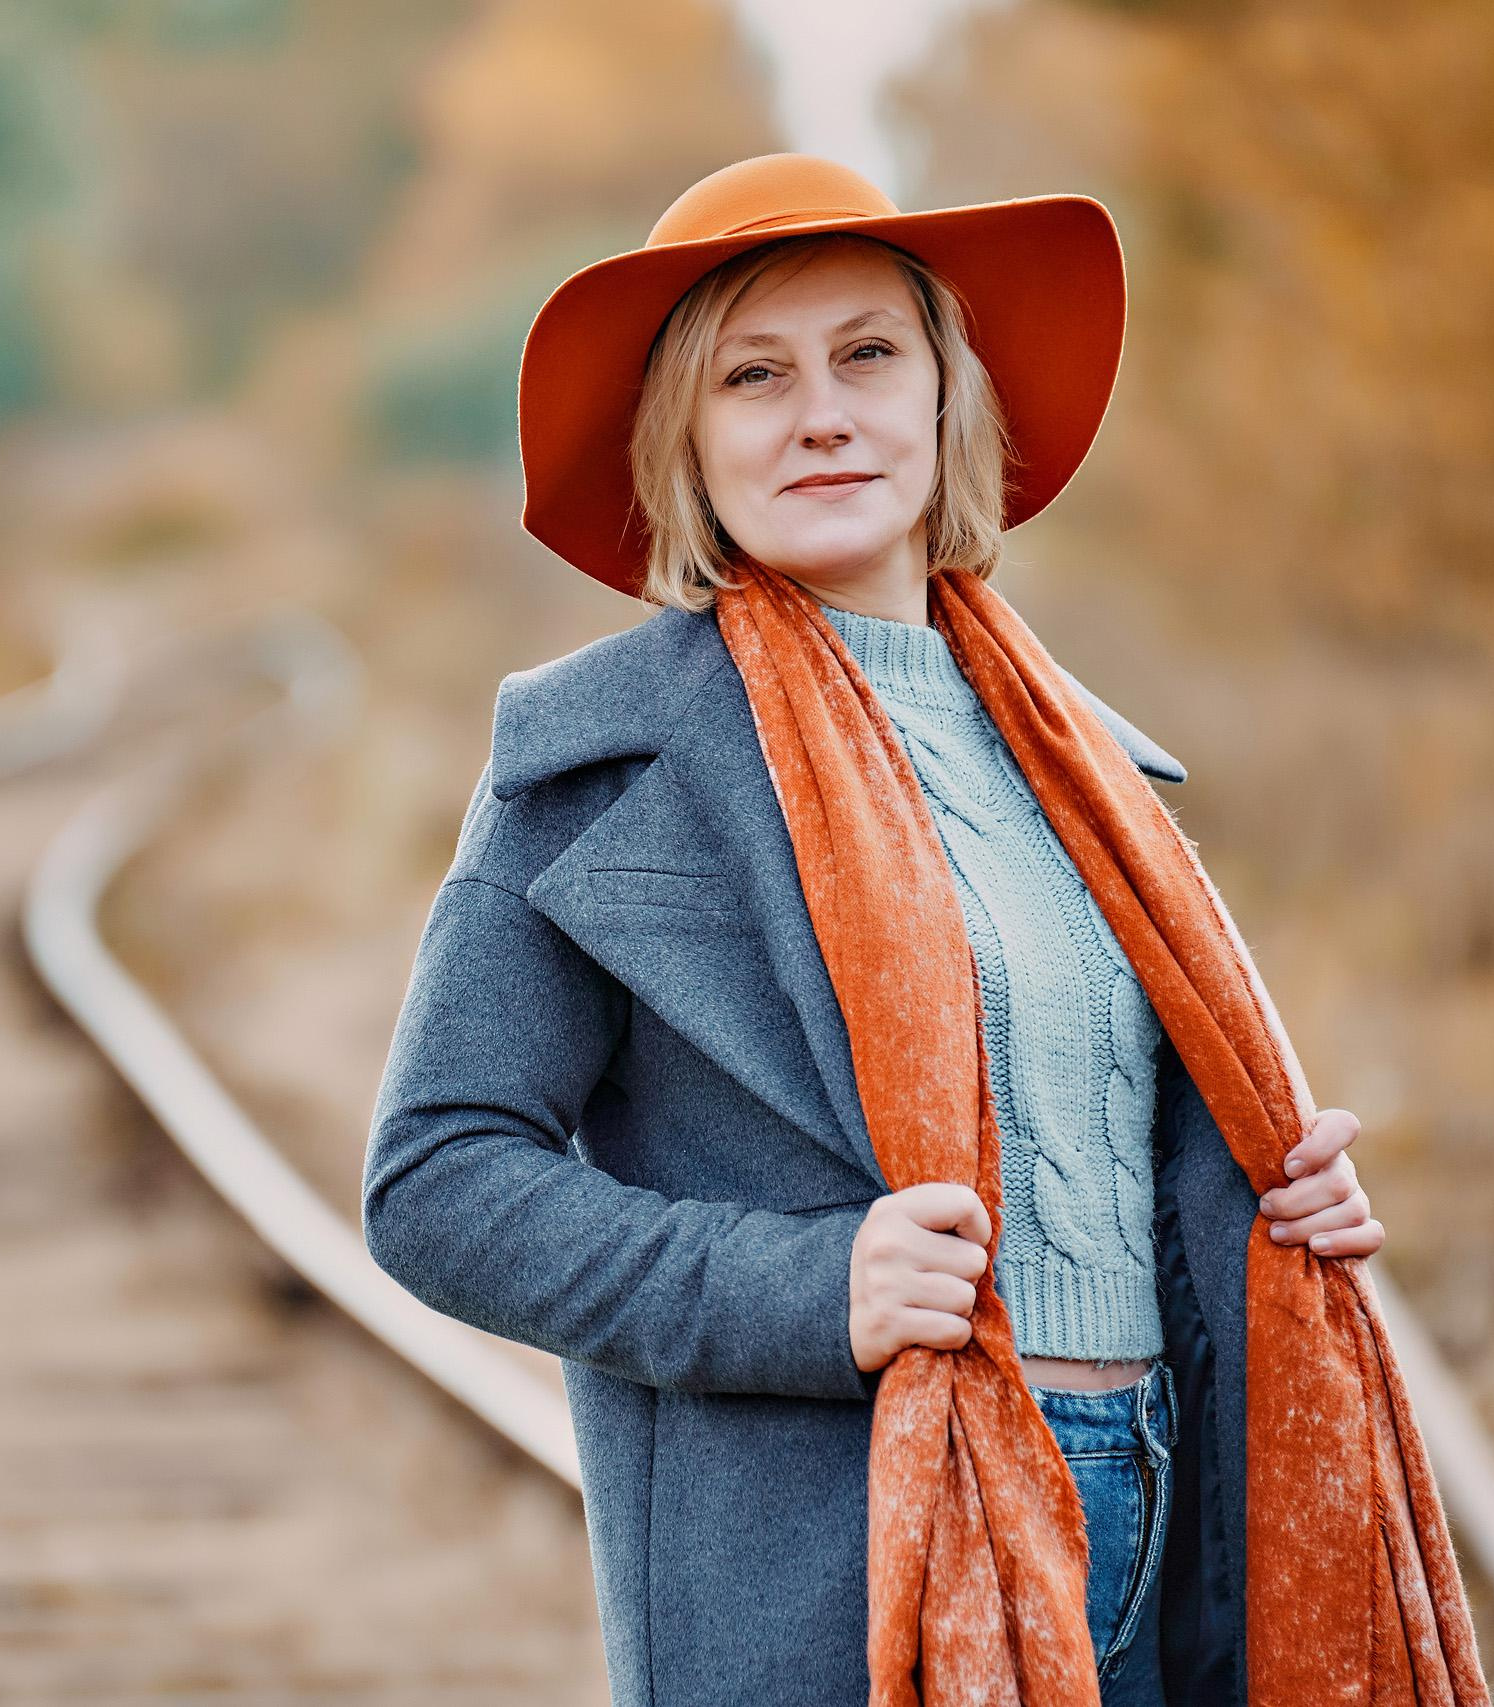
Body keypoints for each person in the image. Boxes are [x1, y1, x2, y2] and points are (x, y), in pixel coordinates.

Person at [363, 155, 1409, 1707]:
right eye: (755, 376)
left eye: (869, 355)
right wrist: (808, 1288)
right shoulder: (598, 774)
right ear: (688, 444)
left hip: (1156, 1493)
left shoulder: (1087, 770)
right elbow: (435, 1182)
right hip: (829, 1553)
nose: (824, 412)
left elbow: (1102, 1132)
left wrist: (1264, 1191)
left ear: (943, 400)